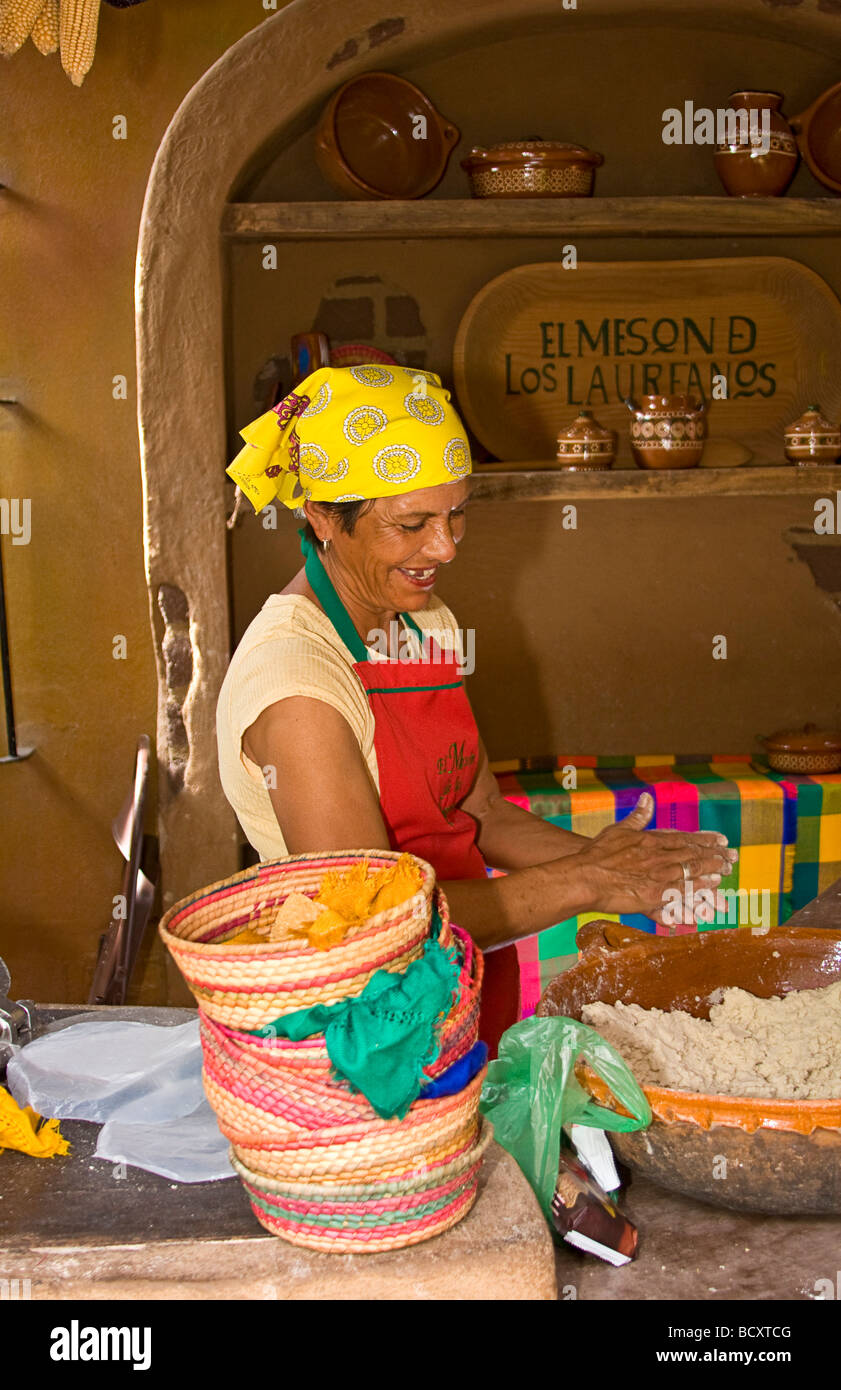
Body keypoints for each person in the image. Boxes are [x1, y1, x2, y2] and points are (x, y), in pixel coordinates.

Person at [217, 365, 736, 1057]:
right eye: (411, 524)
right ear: (321, 519)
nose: (445, 547)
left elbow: (480, 812)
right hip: (361, 1034)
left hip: (463, 978)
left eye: (457, 512)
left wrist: (627, 867)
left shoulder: (426, 623)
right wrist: (585, 880)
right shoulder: (297, 685)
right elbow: (375, 925)